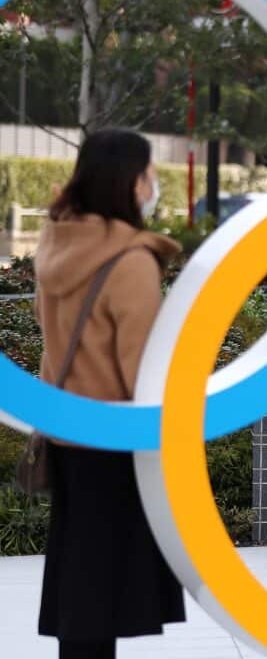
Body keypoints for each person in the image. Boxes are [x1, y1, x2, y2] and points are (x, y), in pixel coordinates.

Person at [34, 129, 186, 658]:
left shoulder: (59, 244)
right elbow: (141, 369)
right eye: (148, 174)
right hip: (115, 440)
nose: (152, 185)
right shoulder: (130, 262)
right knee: (107, 587)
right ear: (128, 181)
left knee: (81, 585)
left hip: (68, 433)